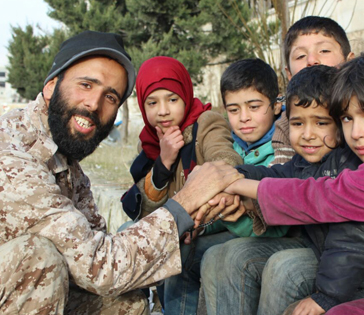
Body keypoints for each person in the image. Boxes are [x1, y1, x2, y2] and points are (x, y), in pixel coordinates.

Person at [0, 30, 242, 314]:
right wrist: (184, 203)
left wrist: (224, 182)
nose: (94, 105)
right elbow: (99, 264)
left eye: (111, 97)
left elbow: (97, 244)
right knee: (37, 257)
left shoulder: (66, 163)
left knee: (127, 302)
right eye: (86, 84)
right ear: (52, 86)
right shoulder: (13, 153)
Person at [222, 52, 364, 315]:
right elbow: (284, 176)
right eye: (347, 118)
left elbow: (321, 197)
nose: (356, 133)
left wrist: (234, 182)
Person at [156, 58, 289, 314]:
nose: (244, 118)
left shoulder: (283, 149)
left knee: (211, 257)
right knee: (178, 251)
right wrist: (200, 226)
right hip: (235, 230)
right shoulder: (230, 144)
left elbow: (273, 220)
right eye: (234, 109)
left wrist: (227, 210)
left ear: (275, 105)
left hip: (265, 235)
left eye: (254, 106)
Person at [120, 56, 243, 315]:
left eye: (172, 99)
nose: (162, 110)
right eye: (152, 103)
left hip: (214, 224)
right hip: (176, 226)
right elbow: (144, 212)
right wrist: (163, 162)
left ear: (186, 96)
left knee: (176, 250)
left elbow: (225, 160)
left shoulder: (206, 123)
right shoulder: (150, 143)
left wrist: (195, 219)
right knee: (125, 234)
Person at [270, 15, 354, 166]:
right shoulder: (286, 125)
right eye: (301, 55)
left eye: (324, 50)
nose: (311, 60)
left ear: (349, 62)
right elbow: (280, 177)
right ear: (289, 74)